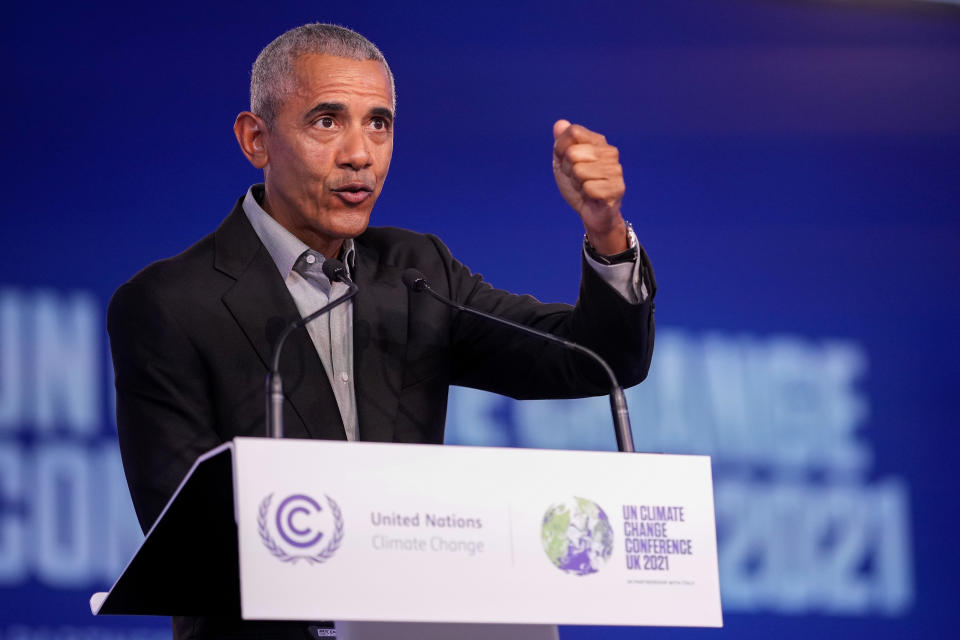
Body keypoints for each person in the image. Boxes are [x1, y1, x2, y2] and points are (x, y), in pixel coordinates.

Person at [107, 23, 656, 640]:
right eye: (326, 121)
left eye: (379, 123)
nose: (359, 153)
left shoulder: (416, 273)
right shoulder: (169, 305)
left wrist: (607, 232)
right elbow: (184, 536)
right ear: (255, 139)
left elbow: (596, 359)